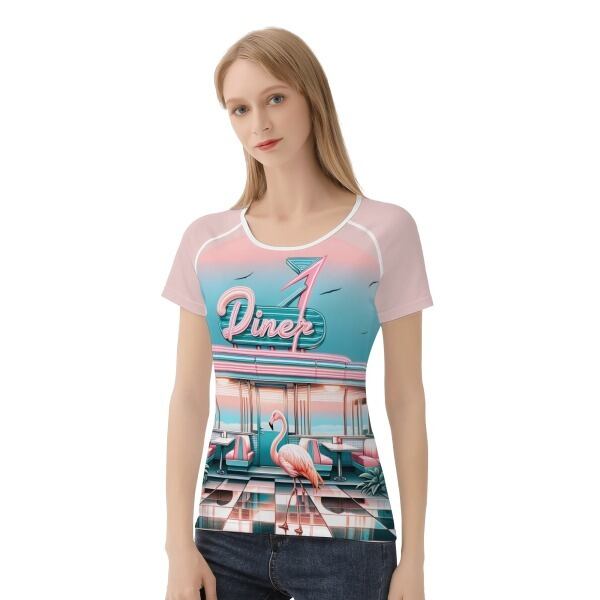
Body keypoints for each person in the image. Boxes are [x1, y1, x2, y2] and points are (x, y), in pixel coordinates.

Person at [161, 27, 433, 600]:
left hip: (350, 541)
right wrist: (177, 546)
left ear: (313, 96)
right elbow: (187, 397)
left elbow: (407, 399)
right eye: (240, 108)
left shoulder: (383, 232)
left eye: (276, 98)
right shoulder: (207, 243)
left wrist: (415, 559)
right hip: (222, 541)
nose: (258, 123)